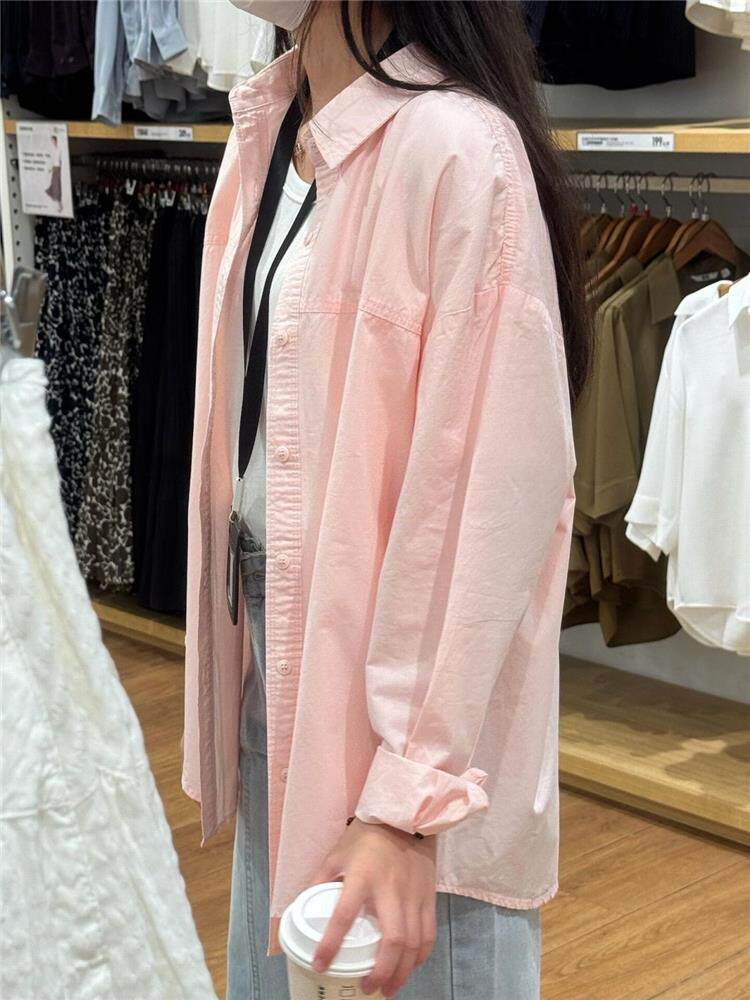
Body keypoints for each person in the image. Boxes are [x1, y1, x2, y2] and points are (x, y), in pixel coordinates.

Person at [183, 2, 591, 998]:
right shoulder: (272, 136)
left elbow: (488, 497)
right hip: (280, 667)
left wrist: (407, 796)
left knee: (412, 964)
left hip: (403, 726)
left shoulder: (454, 149)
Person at [45, 134, 63, 212]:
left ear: (56, 140)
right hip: (55, 168)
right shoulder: (52, 150)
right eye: (51, 140)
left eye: (53, 140)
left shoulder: (59, 149)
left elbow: (60, 160)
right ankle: (59, 205)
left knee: (57, 185)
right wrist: (50, 169)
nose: (52, 142)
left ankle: (59, 204)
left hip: (58, 168)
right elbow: (52, 161)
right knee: (55, 185)